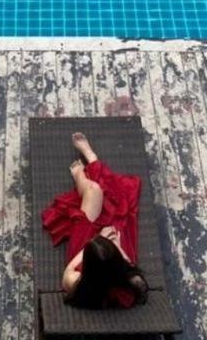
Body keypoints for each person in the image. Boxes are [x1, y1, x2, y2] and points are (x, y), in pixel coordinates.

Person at [41, 132, 149, 308]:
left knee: (93, 190)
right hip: (110, 253)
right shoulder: (130, 283)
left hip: (83, 249)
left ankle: (80, 176)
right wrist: (116, 245)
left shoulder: (75, 281)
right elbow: (129, 265)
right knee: (114, 208)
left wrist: (93, 244)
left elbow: (70, 267)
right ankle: (91, 158)